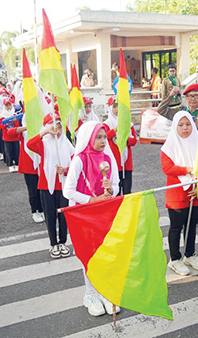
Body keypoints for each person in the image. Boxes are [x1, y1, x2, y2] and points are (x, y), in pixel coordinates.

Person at [63, 121, 120, 317]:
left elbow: (117, 186)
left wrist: (111, 190)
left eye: (104, 137)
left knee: (103, 253)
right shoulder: (79, 159)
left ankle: (103, 291)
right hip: (83, 214)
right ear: (89, 138)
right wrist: (92, 199)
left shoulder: (108, 159)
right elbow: (68, 190)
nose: (103, 141)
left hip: (103, 213)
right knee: (88, 255)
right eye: (99, 137)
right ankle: (90, 294)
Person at [160, 111, 198, 276]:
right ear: (175, 126)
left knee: (191, 225)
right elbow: (167, 168)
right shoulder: (169, 146)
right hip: (177, 193)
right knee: (176, 227)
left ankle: (190, 255)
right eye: (181, 125)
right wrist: (188, 170)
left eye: (187, 124)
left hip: (195, 191)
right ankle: (175, 259)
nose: (185, 128)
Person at [28, 113, 74, 259]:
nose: (57, 130)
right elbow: (30, 144)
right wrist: (46, 132)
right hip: (46, 186)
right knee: (50, 215)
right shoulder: (44, 143)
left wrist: (65, 170)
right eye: (54, 127)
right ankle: (53, 243)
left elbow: (75, 161)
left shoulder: (66, 143)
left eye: (59, 127)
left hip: (63, 185)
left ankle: (62, 242)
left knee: (63, 215)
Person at [103, 96, 137, 195]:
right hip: (114, 163)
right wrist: (116, 129)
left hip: (126, 163)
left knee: (127, 190)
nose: (117, 109)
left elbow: (134, 140)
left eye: (119, 106)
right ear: (110, 108)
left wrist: (125, 140)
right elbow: (105, 136)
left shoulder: (129, 124)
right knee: (115, 191)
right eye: (115, 106)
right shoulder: (107, 124)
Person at [16, 115, 45, 223]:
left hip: (41, 165)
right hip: (29, 166)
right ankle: (35, 211)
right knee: (33, 190)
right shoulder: (24, 132)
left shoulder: (42, 130)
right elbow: (9, 133)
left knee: (42, 189)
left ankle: (42, 210)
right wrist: (26, 127)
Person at [0, 99, 20, 172]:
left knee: (16, 151)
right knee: (9, 151)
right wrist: (7, 124)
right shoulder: (2, 116)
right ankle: (10, 165)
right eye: (6, 105)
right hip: (7, 136)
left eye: (9, 105)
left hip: (15, 136)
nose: (8, 107)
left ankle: (17, 164)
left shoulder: (14, 115)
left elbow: (18, 125)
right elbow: (0, 126)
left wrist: (15, 121)